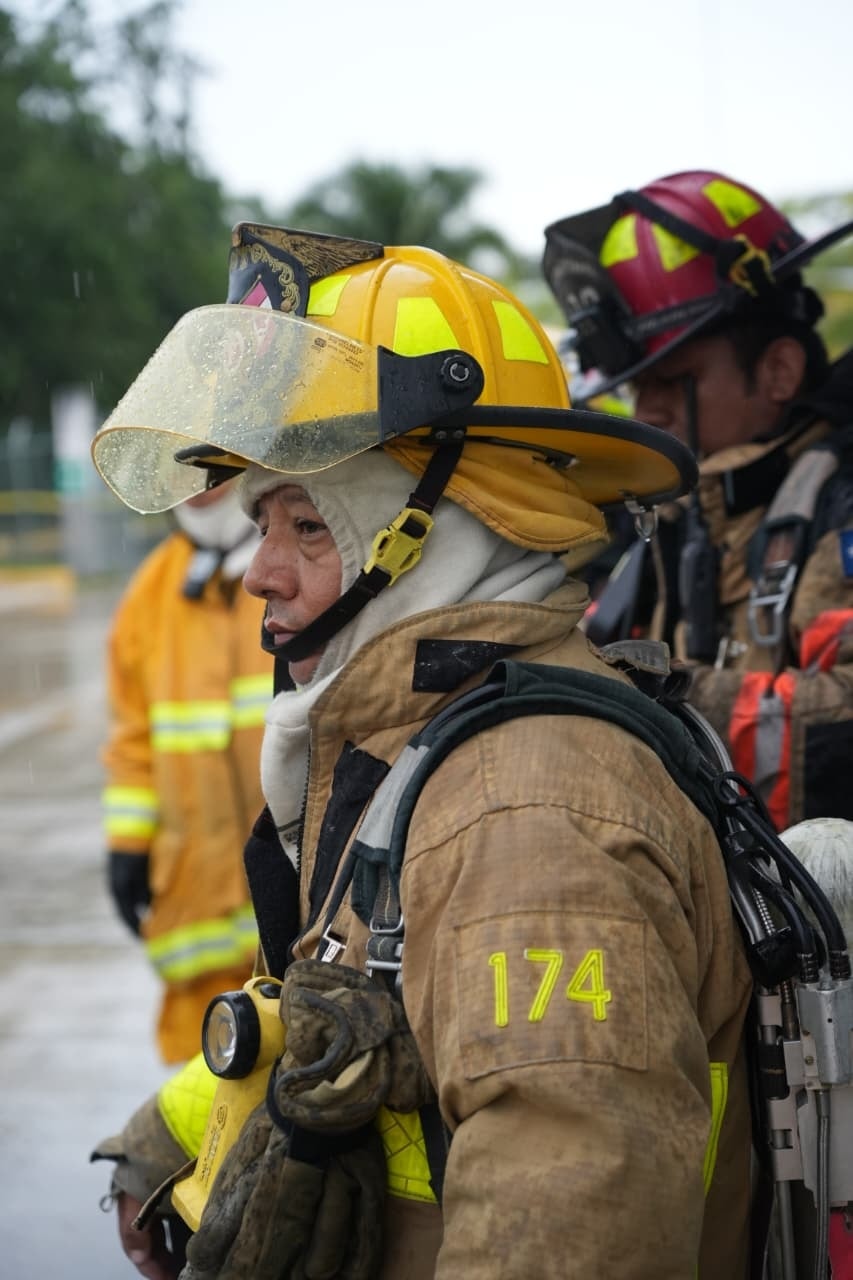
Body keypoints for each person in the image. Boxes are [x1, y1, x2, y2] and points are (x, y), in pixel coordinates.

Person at [89, 224, 754, 1278]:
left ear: (435, 532)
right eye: (264, 521)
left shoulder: (526, 817)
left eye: (308, 524)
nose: (260, 571)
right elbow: (341, 1011)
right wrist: (171, 1134)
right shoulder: (414, 740)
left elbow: (569, 1235)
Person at [544, 170, 853, 832]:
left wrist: (657, 700)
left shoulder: (840, 505)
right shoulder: (671, 517)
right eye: (637, 386)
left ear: (778, 371)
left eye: (674, 380)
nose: (647, 412)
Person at [101, 479, 272, 1063]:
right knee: (203, 1081)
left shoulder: (295, 569)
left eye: (211, 468)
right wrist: (127, 843)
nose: (196, 488)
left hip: (294, 891)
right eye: (179, 471)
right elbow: (134, 737)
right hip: (195, 894)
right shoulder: (150, 595)